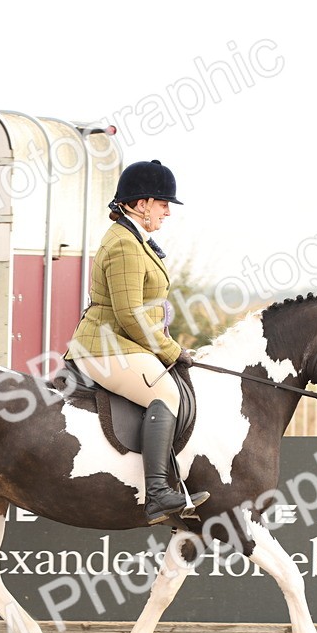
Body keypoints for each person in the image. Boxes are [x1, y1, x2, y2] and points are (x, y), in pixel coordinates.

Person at [65, 160, 210, 525]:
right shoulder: (124, 245)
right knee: (166, 395)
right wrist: (171, 351)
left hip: (123, 344)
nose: (166, 213)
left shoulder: (135, 240)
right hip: (106, 346)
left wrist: (167, 346)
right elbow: (130, 313)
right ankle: (159, 493)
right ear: (142, 204)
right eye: (163, 204)